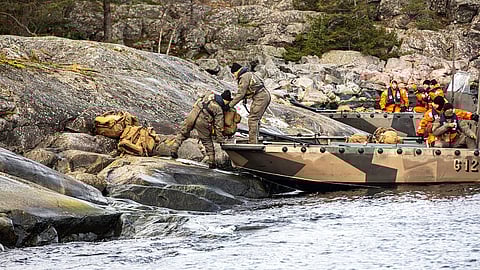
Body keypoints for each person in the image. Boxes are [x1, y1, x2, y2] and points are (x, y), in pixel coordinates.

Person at [170, 90, 233, 168]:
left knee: (183, 133)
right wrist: (221, 141)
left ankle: (173, 150)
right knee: (207, 141)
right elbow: (218, 127)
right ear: (226, 100)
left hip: (192, 115)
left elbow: (200, 97)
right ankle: (212, 162)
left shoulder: (209, 95)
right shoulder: (218, 109)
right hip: (203, 122)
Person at [230, 63, 271, 144]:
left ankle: (252, 142)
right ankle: (256, 139)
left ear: (236, 72)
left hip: (260, 98)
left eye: (233, 74)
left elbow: (240, 94)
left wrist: (229, 105)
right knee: (256, 119)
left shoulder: (244, 77)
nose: (234, 76)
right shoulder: (249, 74)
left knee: (253, 119)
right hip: (265, 95)